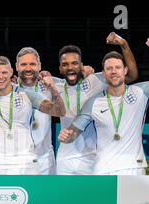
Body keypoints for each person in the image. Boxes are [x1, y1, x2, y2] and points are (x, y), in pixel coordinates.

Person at [58, 36, 149, 175]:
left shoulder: (140, 92)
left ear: (125, 71)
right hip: (103, 169)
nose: (114, 71)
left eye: (117, 67)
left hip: (134, 167)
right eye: (109, 68)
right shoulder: (93, 103)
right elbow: (74, 132)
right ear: (103, 73)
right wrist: (66, 136)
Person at [53, 32, 139, 175]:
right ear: (60, 68)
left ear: (81, 65)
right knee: (64, 197)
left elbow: (131, 75)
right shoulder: (54, 86)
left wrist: (124, 45)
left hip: (92, 157)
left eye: (74, 63)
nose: (70, 67)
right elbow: (28, 81)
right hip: (65, 158)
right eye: (65, 64)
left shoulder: (96, 80)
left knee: (91, 197)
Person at [0, 55, 65, 175]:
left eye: (4, 72)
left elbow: (59, 111)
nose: (1, 76)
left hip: (26, 161)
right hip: (0, 162)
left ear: (11, 72)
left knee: (37, 194)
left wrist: (53, 90)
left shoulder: (27, 95)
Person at [15, 47, 56, 175]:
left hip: (44, 160)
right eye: (23, 64)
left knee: (47, 195)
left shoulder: (50, 87)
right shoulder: (8, 90)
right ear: (16, 66)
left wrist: (86, 73)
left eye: (32, 64)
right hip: (17, 161)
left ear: (39, 66)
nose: (28, 68)